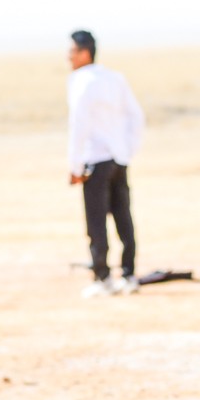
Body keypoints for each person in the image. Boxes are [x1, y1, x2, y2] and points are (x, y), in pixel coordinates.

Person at [66, 30, 144, 298]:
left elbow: (78, 126)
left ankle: (103, 278)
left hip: (96, 161)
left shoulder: (80, 81)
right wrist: (127, 151)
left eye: (72, 51)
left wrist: (75, 167)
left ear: (85, 52)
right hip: (119, 159)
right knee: (124, 217)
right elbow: (136, 117)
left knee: (96, 221)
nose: (68, 57)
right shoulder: (115, 78)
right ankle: (129, 274)